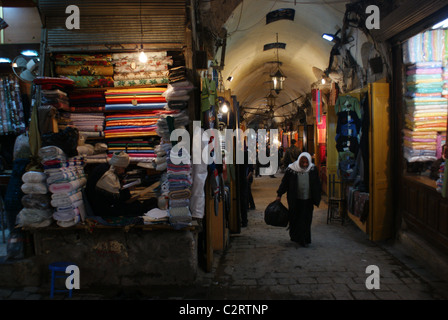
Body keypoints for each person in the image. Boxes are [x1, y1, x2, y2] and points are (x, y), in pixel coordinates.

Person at [86, 151, 157, 217]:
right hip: (102, 209)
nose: (123, 171)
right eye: (123, 168)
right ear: (118, 165)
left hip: (106, 203)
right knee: (138, 208)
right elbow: (117, 200)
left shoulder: (107, 168)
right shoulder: (107, 175)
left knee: (140, 204)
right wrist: (126, 190)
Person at [275, 152, 321, 247]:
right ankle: (296, 237)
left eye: (306, 162)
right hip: (295, 199)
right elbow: (285, 183)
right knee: (296, 218)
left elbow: (317, 184)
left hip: (308, 199)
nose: (304, 164)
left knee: (306, 219)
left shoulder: (312, 169)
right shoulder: (291, 170)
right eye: (302, 162)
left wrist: (317, 197)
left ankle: (304, 238)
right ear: (299, 161)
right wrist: (279, 194)